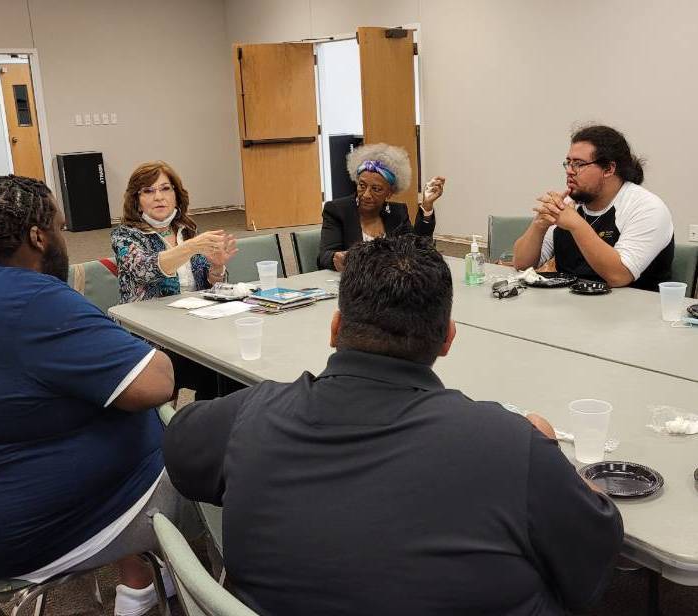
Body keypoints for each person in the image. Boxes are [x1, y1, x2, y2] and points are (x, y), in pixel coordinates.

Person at [163, 235, 624, 616]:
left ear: (335, 328)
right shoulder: (511, 444)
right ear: (447, 340)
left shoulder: (255, 411)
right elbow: (591, 559)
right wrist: (549, 454)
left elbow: (183, 455)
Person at [0, 175, 195, 616]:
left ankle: (139, 580)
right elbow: (157, 383)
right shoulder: (35, 300)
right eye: (61, 228)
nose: (65, 240)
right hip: (37, 534)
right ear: (38, 237)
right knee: (217, 445)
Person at [111, 161, 238, 400]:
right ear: (136, 200)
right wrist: (190, 247)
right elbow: (145, 270)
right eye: (148, 191)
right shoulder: (125, 236)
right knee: (214, 366)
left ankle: (212, 416)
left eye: (165, 189)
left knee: (231, 365)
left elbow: (212, 288)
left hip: (195, 327)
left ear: (176, 195)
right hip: (151, 338)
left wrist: (217, 267)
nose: (158, 197)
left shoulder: (187, 230)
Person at [513, 125, 674, 290]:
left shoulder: (647, 208)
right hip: (570, 301)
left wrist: (577, 225)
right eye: (568, 163)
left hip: (632, 304)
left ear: (608, 169)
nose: (569, 171)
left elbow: (619, 277)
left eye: (579, 164)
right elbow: (522, 265)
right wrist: (539, 226)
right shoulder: (569, 203)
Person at [317, 142, 446, 271]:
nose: (366, 195)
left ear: (389, 193)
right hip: (352, 280)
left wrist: (427, 206)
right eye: (362, 186)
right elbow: (324, 256)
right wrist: (335, 258)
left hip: (388, 280)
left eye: (376, 189)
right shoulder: (337, 210)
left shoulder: (397, 212)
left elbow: (417, 249)